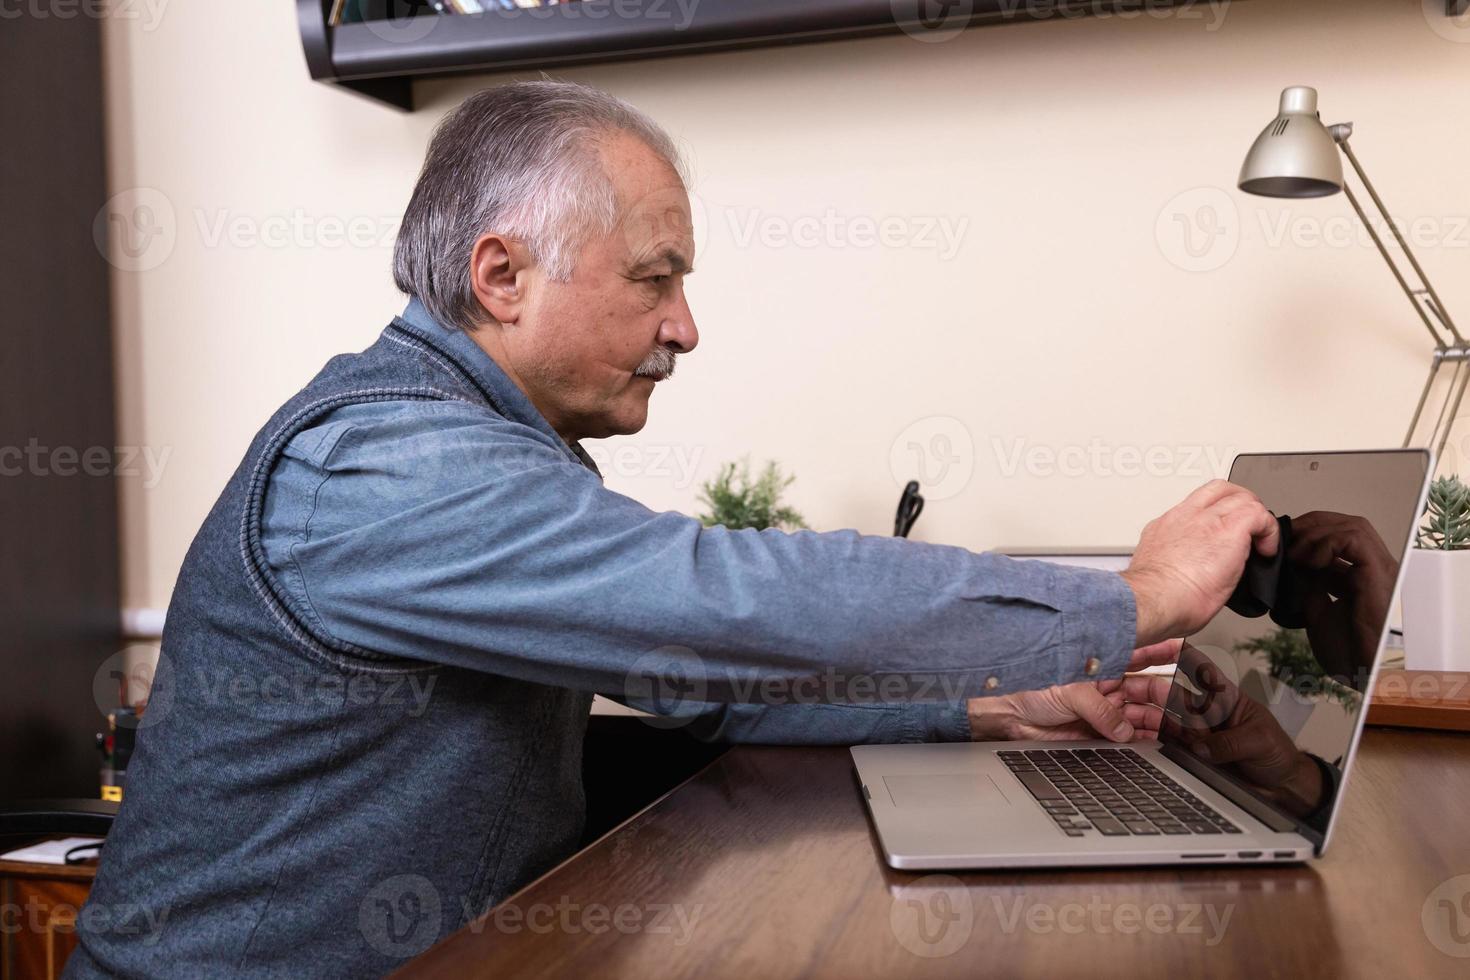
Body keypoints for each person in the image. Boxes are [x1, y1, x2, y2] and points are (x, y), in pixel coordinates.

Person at [68, 81, 1278, 978]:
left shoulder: (474, 448)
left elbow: (692, 672)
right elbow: (715, 597)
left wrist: (975, 706)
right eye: (655, 277)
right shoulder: (387, 465)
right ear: (502, 276)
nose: (686, 326)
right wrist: (1129, 599)